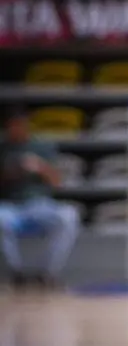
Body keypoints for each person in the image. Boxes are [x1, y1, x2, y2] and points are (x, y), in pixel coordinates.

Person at [0, 107, 80, 289]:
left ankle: (48, 273)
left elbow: (57, 182)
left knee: (68, 217)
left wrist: (40, 167)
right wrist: (9, 173)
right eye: (12, 126)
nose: (16, 129)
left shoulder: (42, 147)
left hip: (39, 205)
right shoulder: (2, 148)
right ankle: (17, 273)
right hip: (8, 206)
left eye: (20, 125)